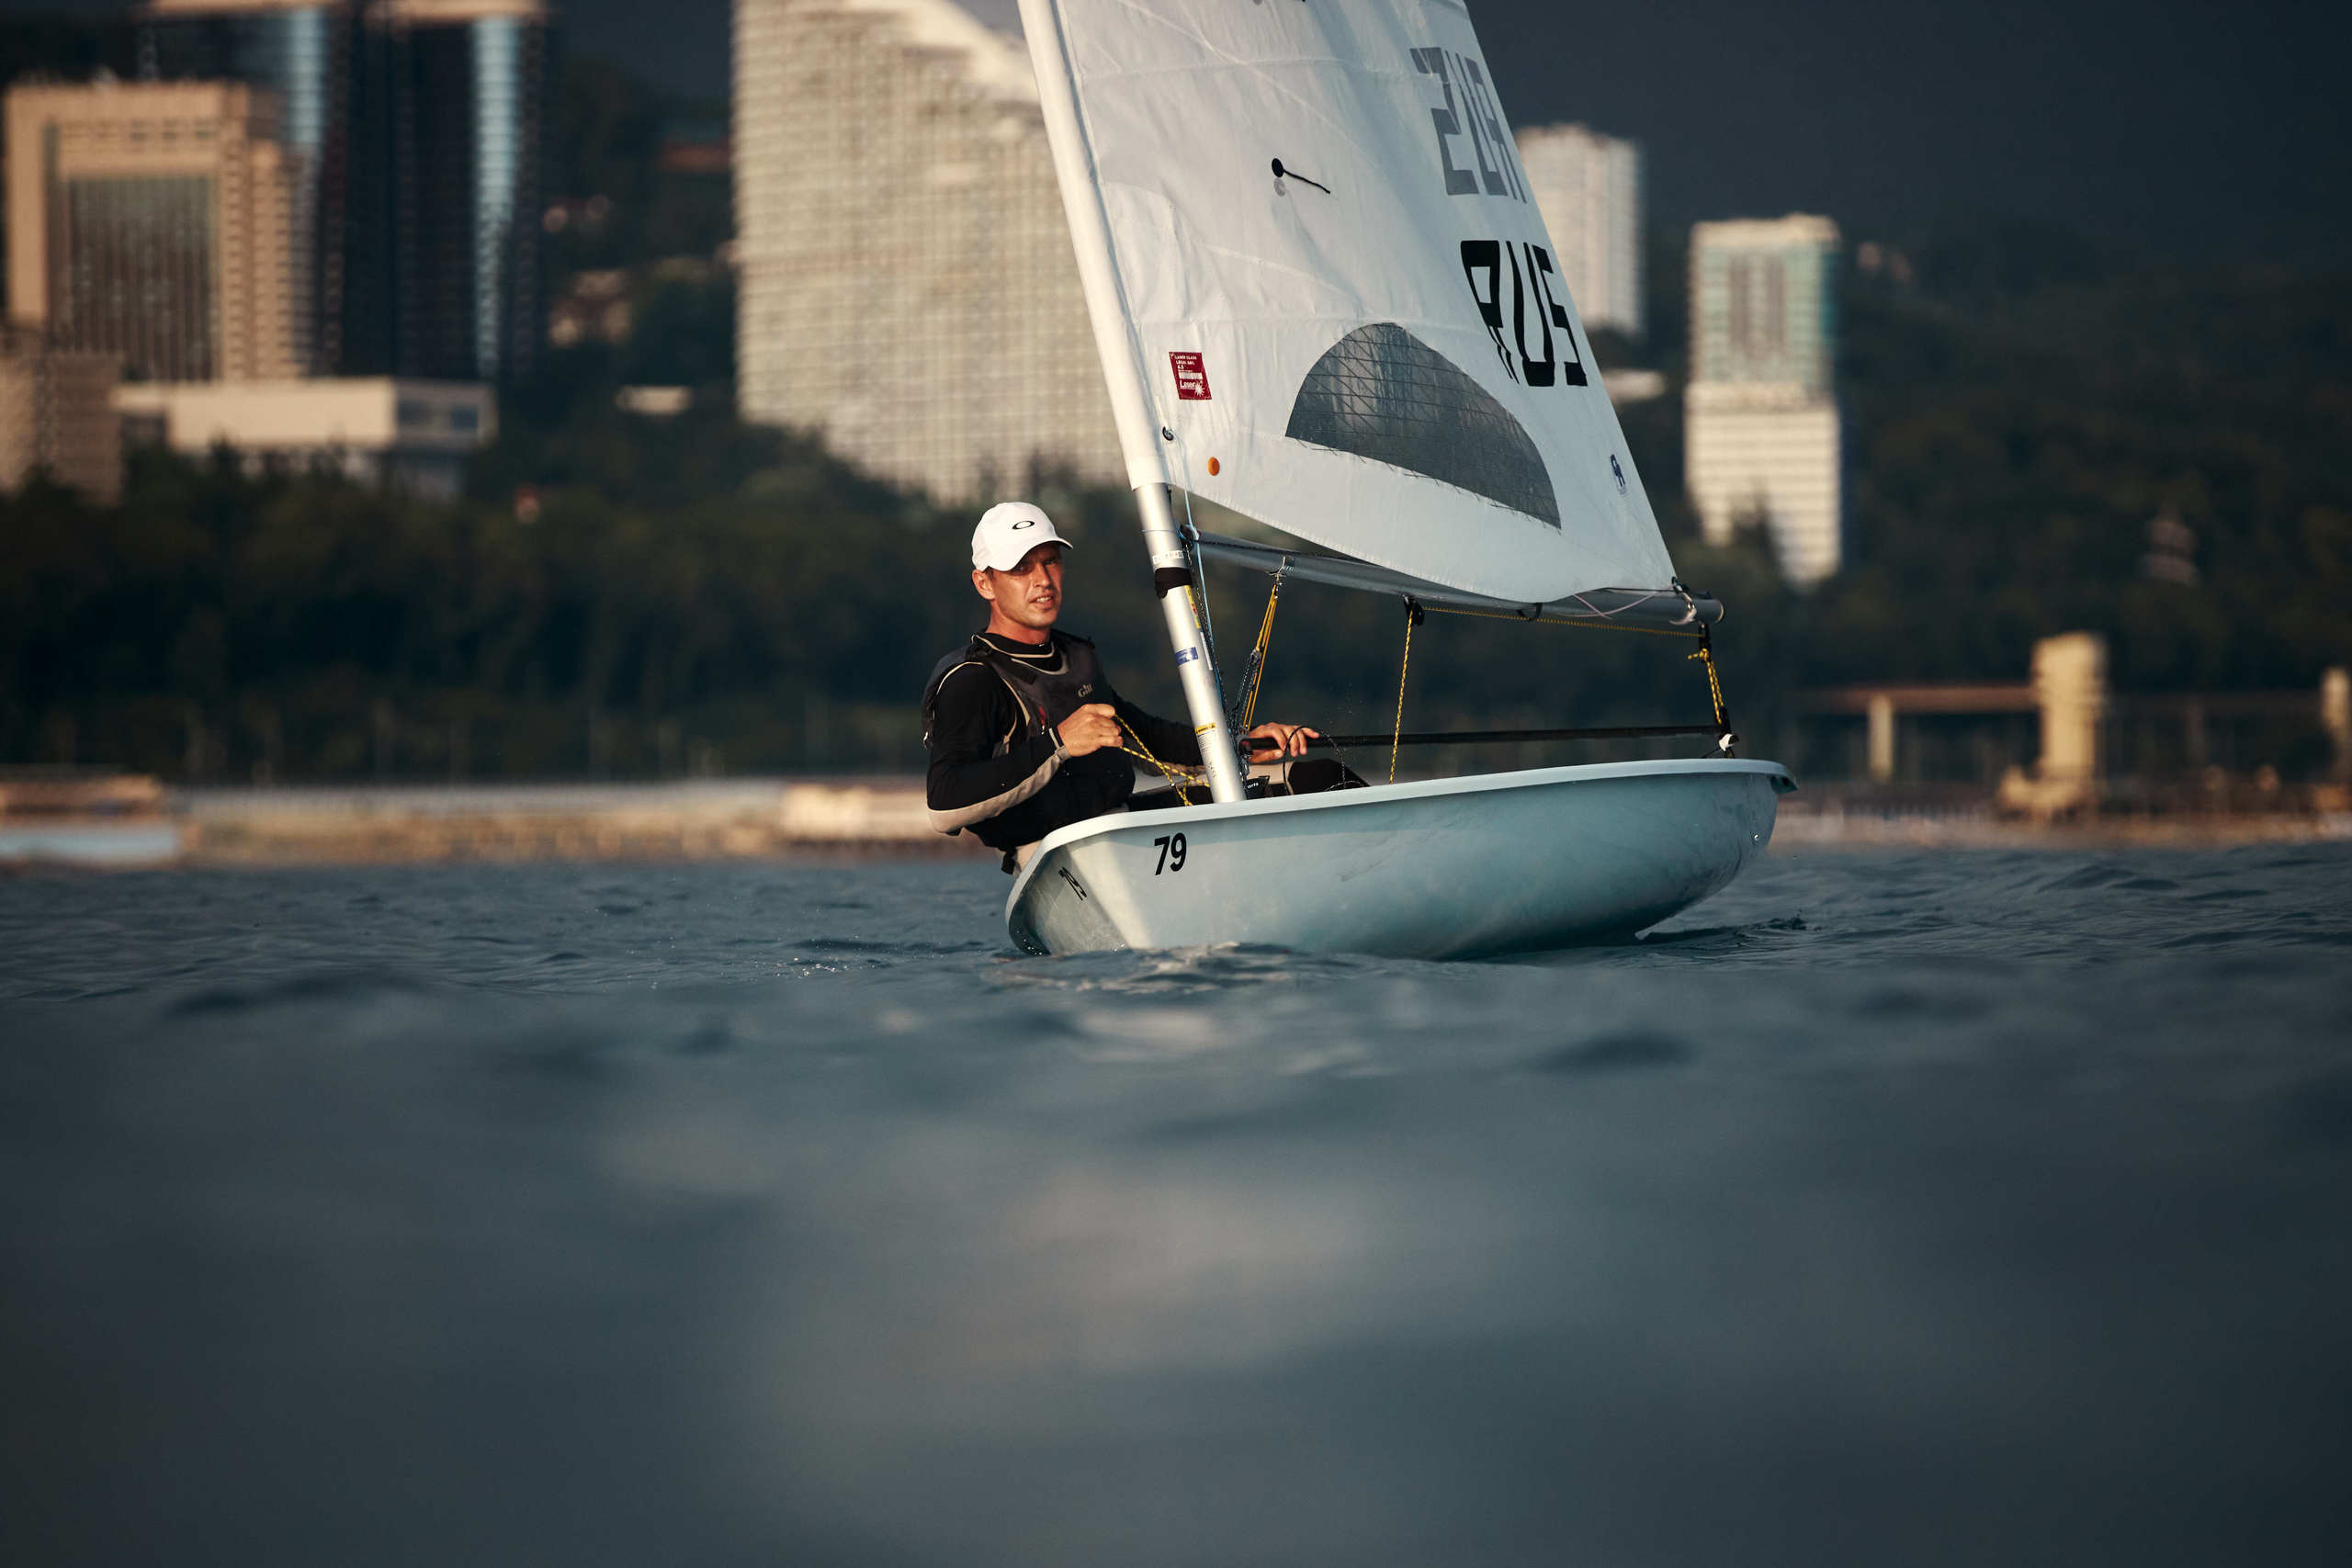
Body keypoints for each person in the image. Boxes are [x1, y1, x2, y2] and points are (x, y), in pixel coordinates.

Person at [922, 502, 1322, 870]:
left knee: (1313, 779)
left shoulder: (1076, 659)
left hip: (1122, 828)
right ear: (985, 584)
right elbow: (943, 806)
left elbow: (1148, 738)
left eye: (1051, 562)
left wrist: (1240, 746)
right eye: (1021, 568)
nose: (1042, 580)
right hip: (1052, 854)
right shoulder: (972, 680)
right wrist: (1058, 743)